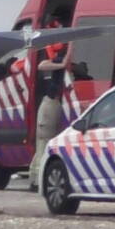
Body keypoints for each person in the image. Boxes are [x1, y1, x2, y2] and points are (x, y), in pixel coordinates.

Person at [28, 15, 70, 189]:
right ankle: (36, 179)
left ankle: (39, 177)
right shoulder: (50, 50)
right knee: (45, 141)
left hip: (59, 100)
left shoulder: (62, 48)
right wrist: (61, 65)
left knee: (49, 141)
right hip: (50, 100)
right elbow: (42, 65)